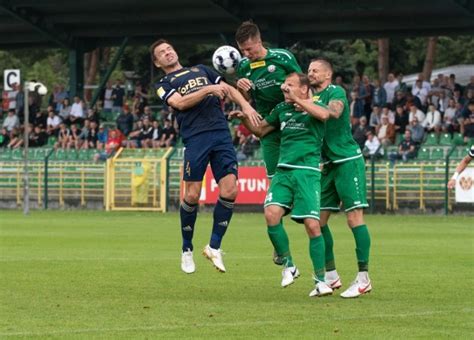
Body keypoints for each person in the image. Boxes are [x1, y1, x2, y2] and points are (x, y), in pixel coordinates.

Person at [150, 38, 260, 274]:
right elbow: (179, 103)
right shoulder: (164, 83)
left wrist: (247, 106)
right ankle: (186, 249)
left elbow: (229, 89)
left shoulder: (201, 70)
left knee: (231, 190)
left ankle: (214, 246)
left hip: (220, 133)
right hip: (196, 138)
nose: (168, 52)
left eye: (169, 48)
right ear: (157, 62)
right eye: (162, 52)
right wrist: (208, 89)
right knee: (191, 194)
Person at [231, 72, 333, 296]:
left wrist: (298, 100)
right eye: (284, 85)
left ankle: (320, 281)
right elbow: (261, 130)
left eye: (291, 85)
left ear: (304, 89)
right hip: (283, 171)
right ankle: (289, 265)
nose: (284, 88)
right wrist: (244, 119)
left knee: (312, 226)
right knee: (271, 214)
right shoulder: (281, 109)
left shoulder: (317, 105)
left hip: (307, 172)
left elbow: (325, 116)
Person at [234, 20, 302, 265]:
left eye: (250, 49)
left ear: (259, 42)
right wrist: (241, 90)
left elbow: (301, 84)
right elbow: (245, 100)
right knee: (273, 182)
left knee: (299, 173)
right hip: (268, 128)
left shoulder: (283, 57)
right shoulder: (244, 66)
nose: (247, 54)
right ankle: (279, 241)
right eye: (243, 50)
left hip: (293, 123)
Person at [308, 58, 372, 298]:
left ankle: (364, 278)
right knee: (317, 222)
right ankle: (331, 277)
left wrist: (301, 102)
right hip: (327, 165)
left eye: (315, 70)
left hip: (347, 161)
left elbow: (333, 113)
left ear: (327, 75)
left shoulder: (336, 92)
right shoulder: (310, 98)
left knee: (354, 218)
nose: (310, 73)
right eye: (309, 70)